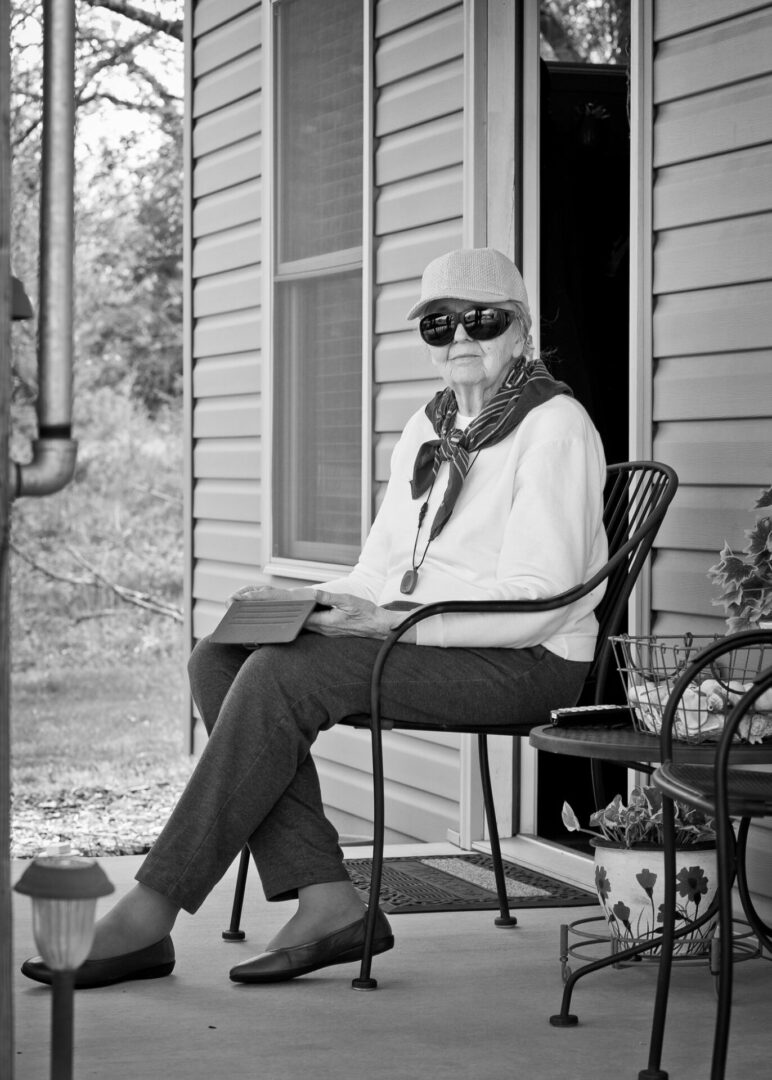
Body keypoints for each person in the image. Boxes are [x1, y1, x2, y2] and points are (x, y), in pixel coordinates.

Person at [22, 247, 608, 989]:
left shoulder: (553, 426)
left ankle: (153, 906)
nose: (460, 335)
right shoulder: (431, 429)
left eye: (481, 320)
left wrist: (391, 624)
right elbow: (378, 569)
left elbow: (537, 600)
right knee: (222, 656)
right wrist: (315, 603)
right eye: (438, 324)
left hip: (526, 661)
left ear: (520, 332)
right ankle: (327, 898)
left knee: (288, 675)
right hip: (430, 634)